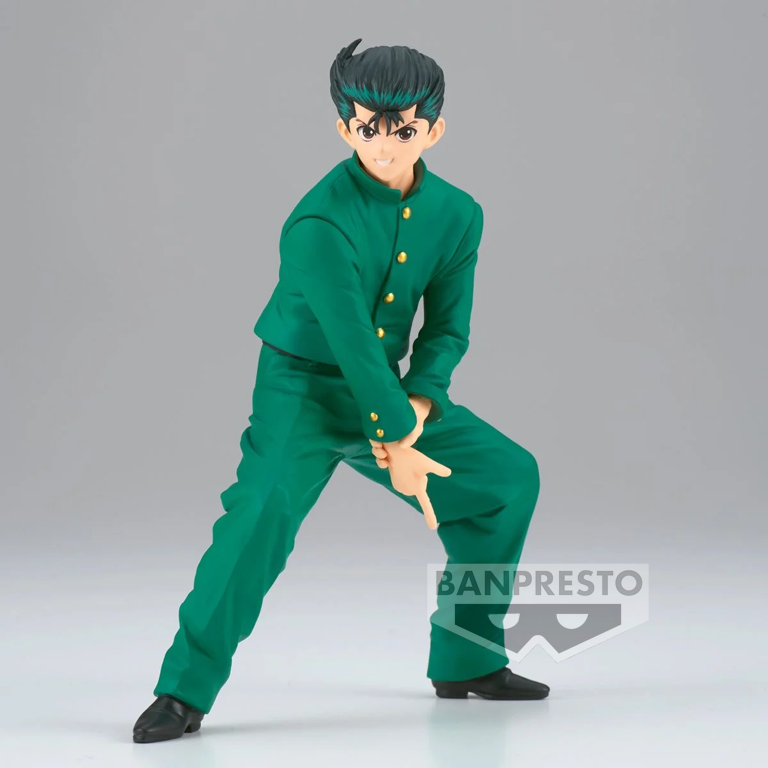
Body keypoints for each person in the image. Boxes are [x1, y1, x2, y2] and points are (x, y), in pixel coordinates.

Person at [133, 38, 548, 745]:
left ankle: (468, 659)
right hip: (302, 389)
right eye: (366, 129)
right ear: (343, 128)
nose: (383, 146)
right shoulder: (317, 224)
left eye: (403, 131)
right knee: (259, 518)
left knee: (507, 479)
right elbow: (351, 343)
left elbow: (447, 329)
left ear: (434, 131)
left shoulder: (459, 213)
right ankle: (183, 689)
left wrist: (419, 406)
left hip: (392, 392)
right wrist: (397, 443)